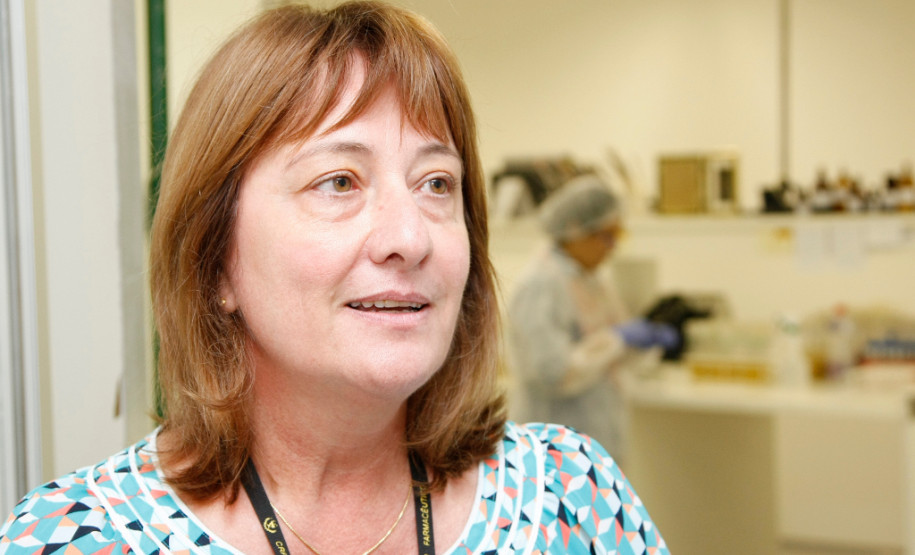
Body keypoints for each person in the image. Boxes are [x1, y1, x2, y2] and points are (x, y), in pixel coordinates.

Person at [0, 3, 668, 553]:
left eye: (437, 183)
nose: (410, 238)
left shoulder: (573, 498)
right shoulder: (75, 537)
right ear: (215, 259)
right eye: (339, 181)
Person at [508, 174, 678, 462]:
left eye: (618, 236)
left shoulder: (590, 279)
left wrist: (640, 340)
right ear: (575, 232)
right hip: (554, 453)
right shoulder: (541, 284)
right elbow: (551, 371)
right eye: (607, 236)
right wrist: (617, 339)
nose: (613, 246)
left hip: (594, 447)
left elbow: (610, 352)